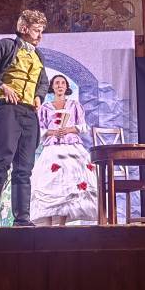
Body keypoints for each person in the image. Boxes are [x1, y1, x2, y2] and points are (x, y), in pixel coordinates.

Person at [0, 9, 49, 227]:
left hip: (29, 114)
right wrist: (1, 86)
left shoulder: (38, 55)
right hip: (7, 110)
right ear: (24, 29)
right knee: (2, 162)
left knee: (24, 167)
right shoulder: (7, 46)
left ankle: (22, 218)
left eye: (41, 31)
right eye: (36, 30)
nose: (40, 35)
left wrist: (39, 96)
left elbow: (43, 81)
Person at [30, 74, 98, 225]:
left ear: (67, 86)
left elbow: (83, 126)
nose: (60, 85)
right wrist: (52, 132)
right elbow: (40, 129)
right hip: (52, 148)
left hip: (71, 146)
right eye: (56, 83)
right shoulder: (45, 108)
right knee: (49, 182)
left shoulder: (74, 105)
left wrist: (68, 129)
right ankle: (47, 224)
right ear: (52, 87)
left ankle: (62, 223)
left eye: (62, 83)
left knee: (68, 182)